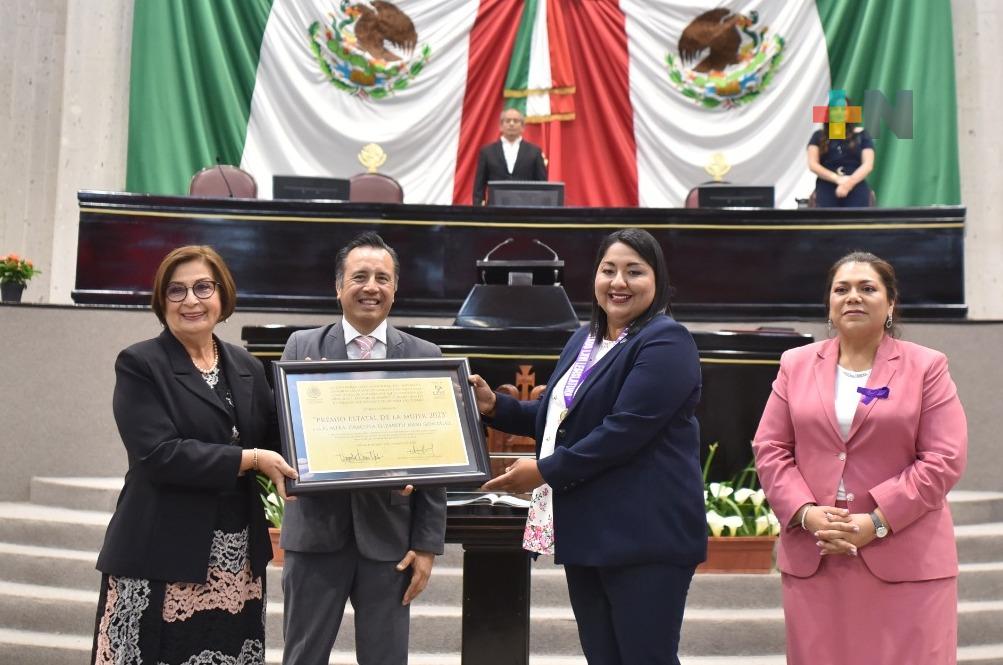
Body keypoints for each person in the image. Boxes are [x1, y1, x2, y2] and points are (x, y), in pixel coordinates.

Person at [469, 228, 706, 665]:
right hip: (589, 532)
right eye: (608, 270)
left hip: (645, 536)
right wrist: (494, 407)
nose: (619, 282)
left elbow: (623, 432)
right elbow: (558, 422)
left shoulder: (666, 341)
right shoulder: (585, 340)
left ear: (657, 281)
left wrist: (543, 471)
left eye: (634, 271)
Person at [753, 251, 967, 665]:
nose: (853, 297)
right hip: (820, 551)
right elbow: (771, 448)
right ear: (830, 305)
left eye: (867, 288)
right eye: (842, 289)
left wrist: (877, 521)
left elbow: (944, 457)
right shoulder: (795, 364)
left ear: (890, 304)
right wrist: (804, 511)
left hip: (906, 557)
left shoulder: (927, 367)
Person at [91, 245, 297, 665]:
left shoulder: (248, 366)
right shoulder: (140, 363)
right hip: (159, 555)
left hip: (234, 561)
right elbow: (159, 455)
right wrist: (250, 459)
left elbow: (288, 438)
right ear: (161, 301)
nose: (191, 300)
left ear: (222, 295)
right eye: (176, 291)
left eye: (203, 287)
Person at [280, 231, 447, 665]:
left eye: (382, 278)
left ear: (395, 288)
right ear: (338, 288)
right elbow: (283, 432)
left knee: (387, 659)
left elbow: (437, 457)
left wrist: (427, 545)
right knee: (303, 656)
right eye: (359, 277)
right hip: (316, 536)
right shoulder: (302, 347)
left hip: (390, 543)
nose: (371, 287)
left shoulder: (425, 355)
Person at [472, 107, 548, 205]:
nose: (511, 124)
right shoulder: (487, 152)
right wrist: (478, 211)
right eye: (507, 121)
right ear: (500, 126)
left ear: (523, 127)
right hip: (495, 210)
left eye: (516, 121)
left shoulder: (534, 152)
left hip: (526, 210)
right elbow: (479, 187)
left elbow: (542, 186)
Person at [807, 102, 875, 207]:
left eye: (843, 109)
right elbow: (813, 164)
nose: (839, 113)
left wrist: (848, 184)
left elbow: (868, 165)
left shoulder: (862, 134)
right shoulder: (818, 136)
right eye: (835, 109)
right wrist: (837, 179)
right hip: (826, 186)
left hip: (856, 185)